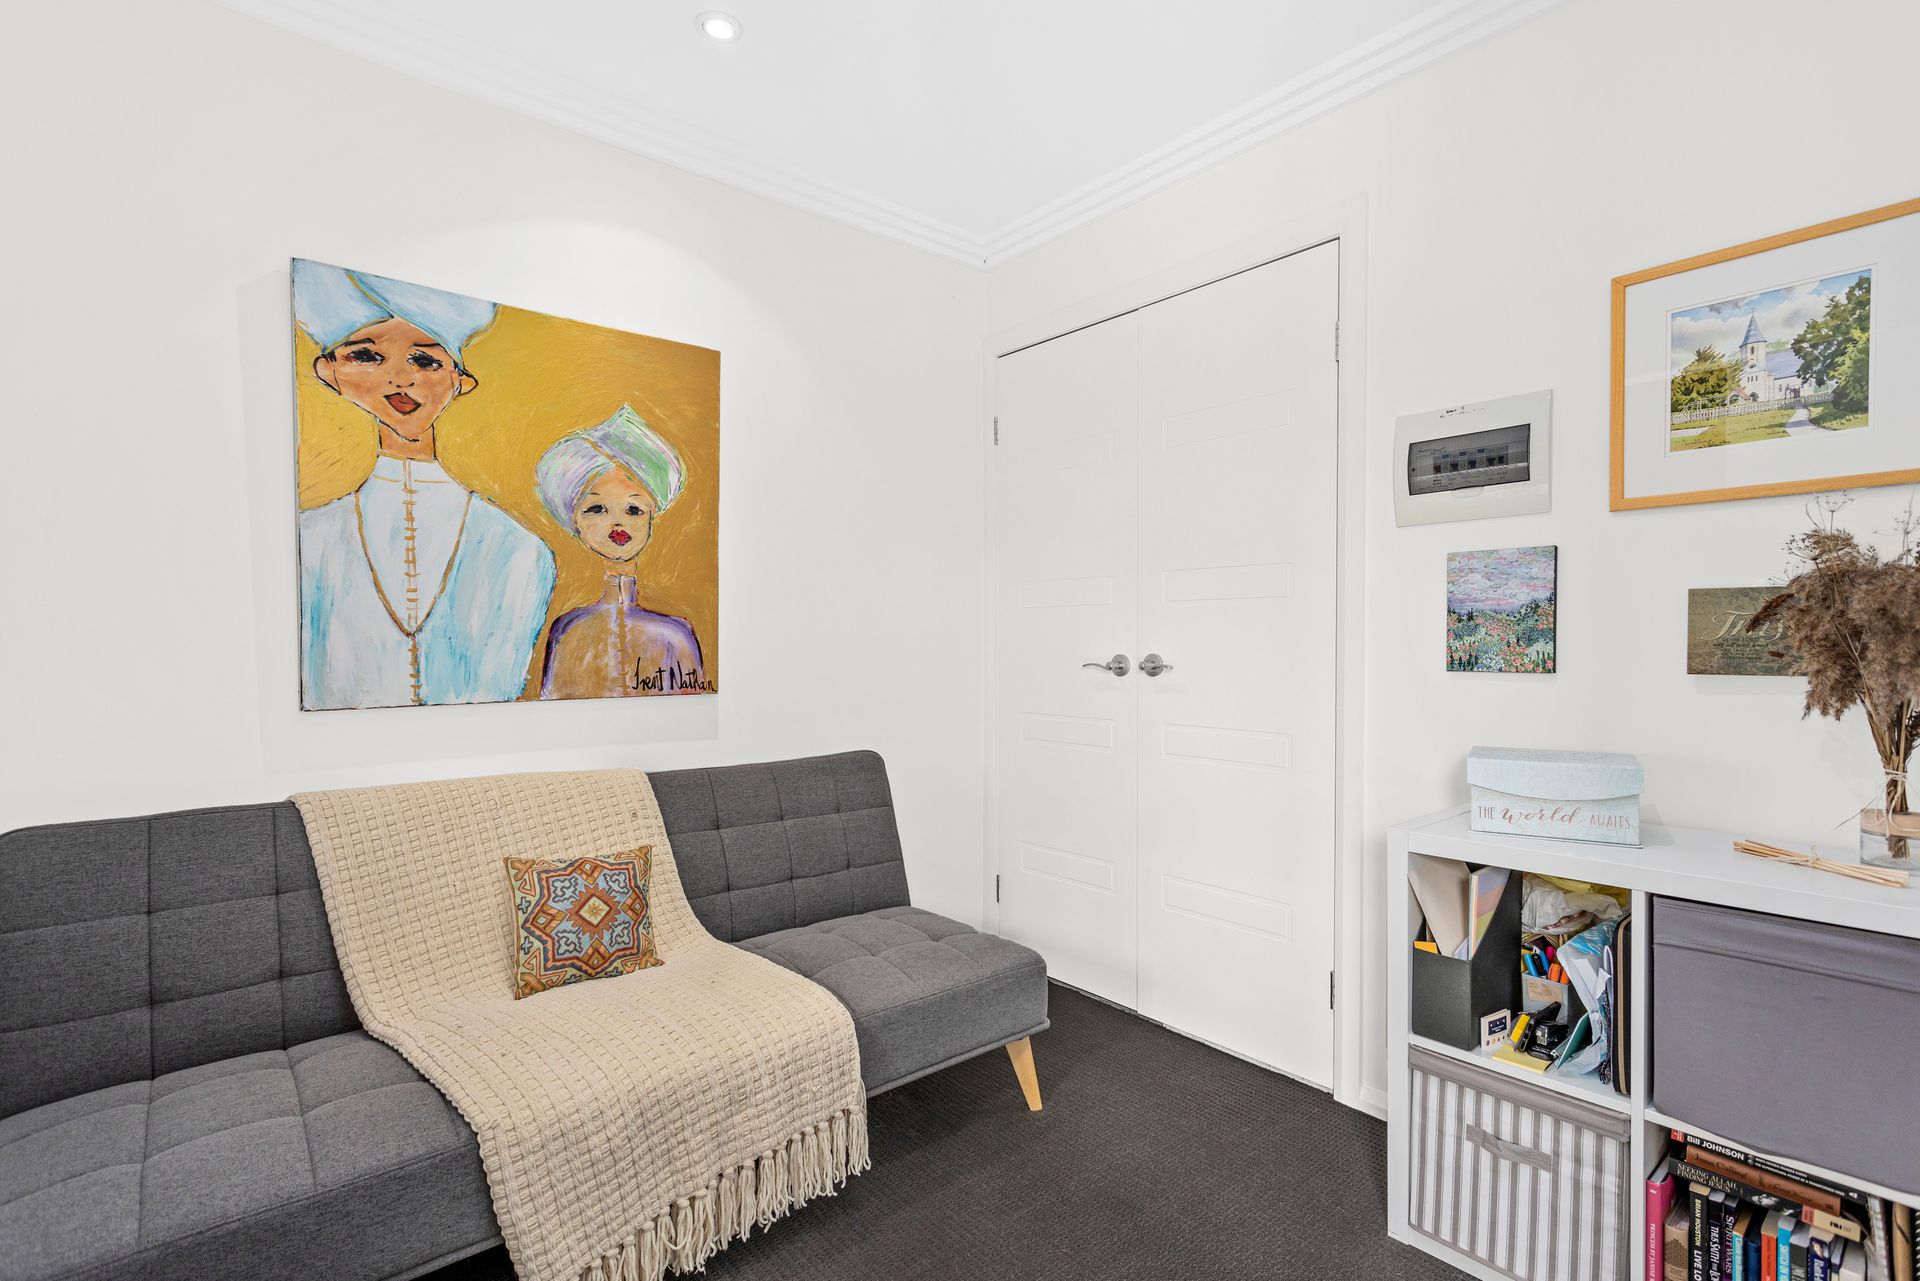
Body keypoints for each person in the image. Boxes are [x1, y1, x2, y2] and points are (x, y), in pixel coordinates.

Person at [293, 259, 555, 709]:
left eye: (425, 360)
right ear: (328, 372)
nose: (401, 378)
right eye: (367, 356)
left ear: (459, 381)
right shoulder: (308, 543)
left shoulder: (520, 552)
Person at [534, 405, 707, 699]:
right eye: (596, 509)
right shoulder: (569, 632)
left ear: (651, 515)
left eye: (634, 509)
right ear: (575, 522)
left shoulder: (675, 635)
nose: (617, 523)